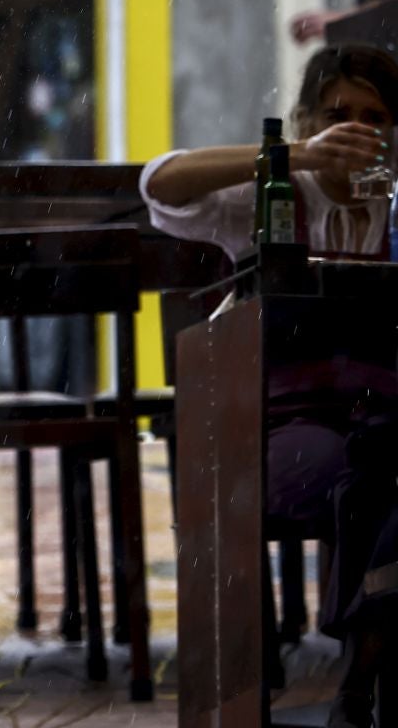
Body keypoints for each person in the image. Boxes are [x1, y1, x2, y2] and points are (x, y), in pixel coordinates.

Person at [142, 43, 398, 726]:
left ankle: (356, 677)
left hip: (384, 421)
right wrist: (304, 157)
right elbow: (161, 183)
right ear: (308, 118)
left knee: (383, 468)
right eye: (337, 113)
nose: (357, 127)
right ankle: (360, 669)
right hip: (291, 425)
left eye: (373, 116)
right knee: (357, 473)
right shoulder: (274, 193)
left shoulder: (394, 205)